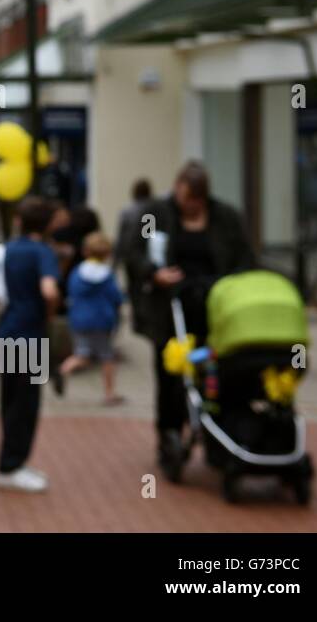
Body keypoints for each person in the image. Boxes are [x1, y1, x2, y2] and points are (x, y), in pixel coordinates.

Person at [128, 161, 255, 473]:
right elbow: (133, 252)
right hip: (171, 308)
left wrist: (231, 283)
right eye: (185, 200)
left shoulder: (225, 216)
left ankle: (219, 437)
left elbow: (244, 257)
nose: (189, 206)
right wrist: (153, 274)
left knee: (217, 371)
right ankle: (169, 433)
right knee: (171, 373)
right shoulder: (155, 213)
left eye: (195, 202)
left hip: (217, 306)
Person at [0, 196, 61, 493]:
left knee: (9, 401)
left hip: (6, 330)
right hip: (29, 336)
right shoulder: (42, 252)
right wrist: (51, 313)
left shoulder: (8, 249)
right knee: (26, 404)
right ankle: (10, 466)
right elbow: (49, 290)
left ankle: (12, 461)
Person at [59, 232, 124, 406]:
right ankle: (109, 393)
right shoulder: (107, 275)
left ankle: (63, 370)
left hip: (79, 319)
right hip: (102, 321)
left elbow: (70, 292)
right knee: (107, 356)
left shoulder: (77, 272)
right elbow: (116, 297)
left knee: (82, 354)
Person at [114, 178, 153, 336]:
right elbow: (148, 235)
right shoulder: (149, 211)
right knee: (144, 287)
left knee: (133, 288)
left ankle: (137, 318)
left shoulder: (127, 211)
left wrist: (117, 258)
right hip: (143, 256)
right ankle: (144, 318)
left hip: (129, 256)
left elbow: (121, 236)